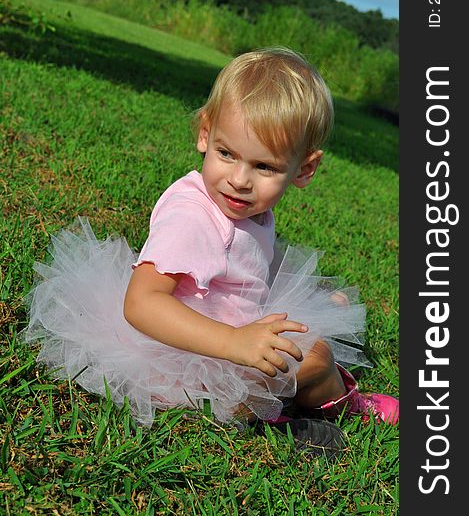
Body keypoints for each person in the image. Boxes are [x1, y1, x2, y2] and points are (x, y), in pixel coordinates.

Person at [23, 48, 398, 454]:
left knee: (310, 327)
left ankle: (284, 409)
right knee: (316, 357)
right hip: (186, 360)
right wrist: (234, 343)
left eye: (264, 167)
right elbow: (141, 303)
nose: (239, 179)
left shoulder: (244, 211)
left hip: (222, 336)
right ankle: (317, 414)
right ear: (205, 133)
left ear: (304, 170)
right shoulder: (193, 217)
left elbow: (243, 278)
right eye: (227, 154)